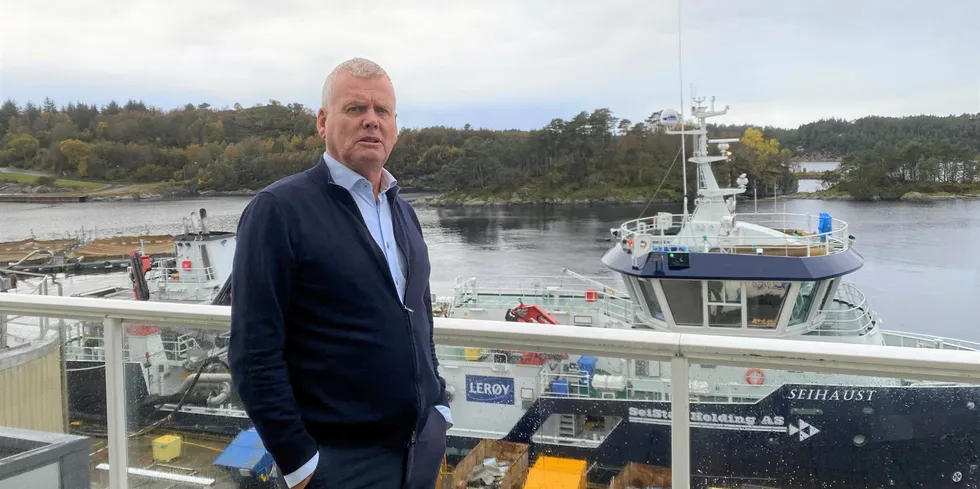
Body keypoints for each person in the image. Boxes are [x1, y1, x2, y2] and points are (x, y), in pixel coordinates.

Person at [228, 57, 452, 489]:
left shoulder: (402, 211)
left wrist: (438, 407)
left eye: (382, 111)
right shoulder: (278, 211)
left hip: (418, 451)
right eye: (355, 109)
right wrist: (301, 464)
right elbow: (253, 352)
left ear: (395, 125)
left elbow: (419, 320)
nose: (371, 121)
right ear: (322, 122)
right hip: (338, 464)